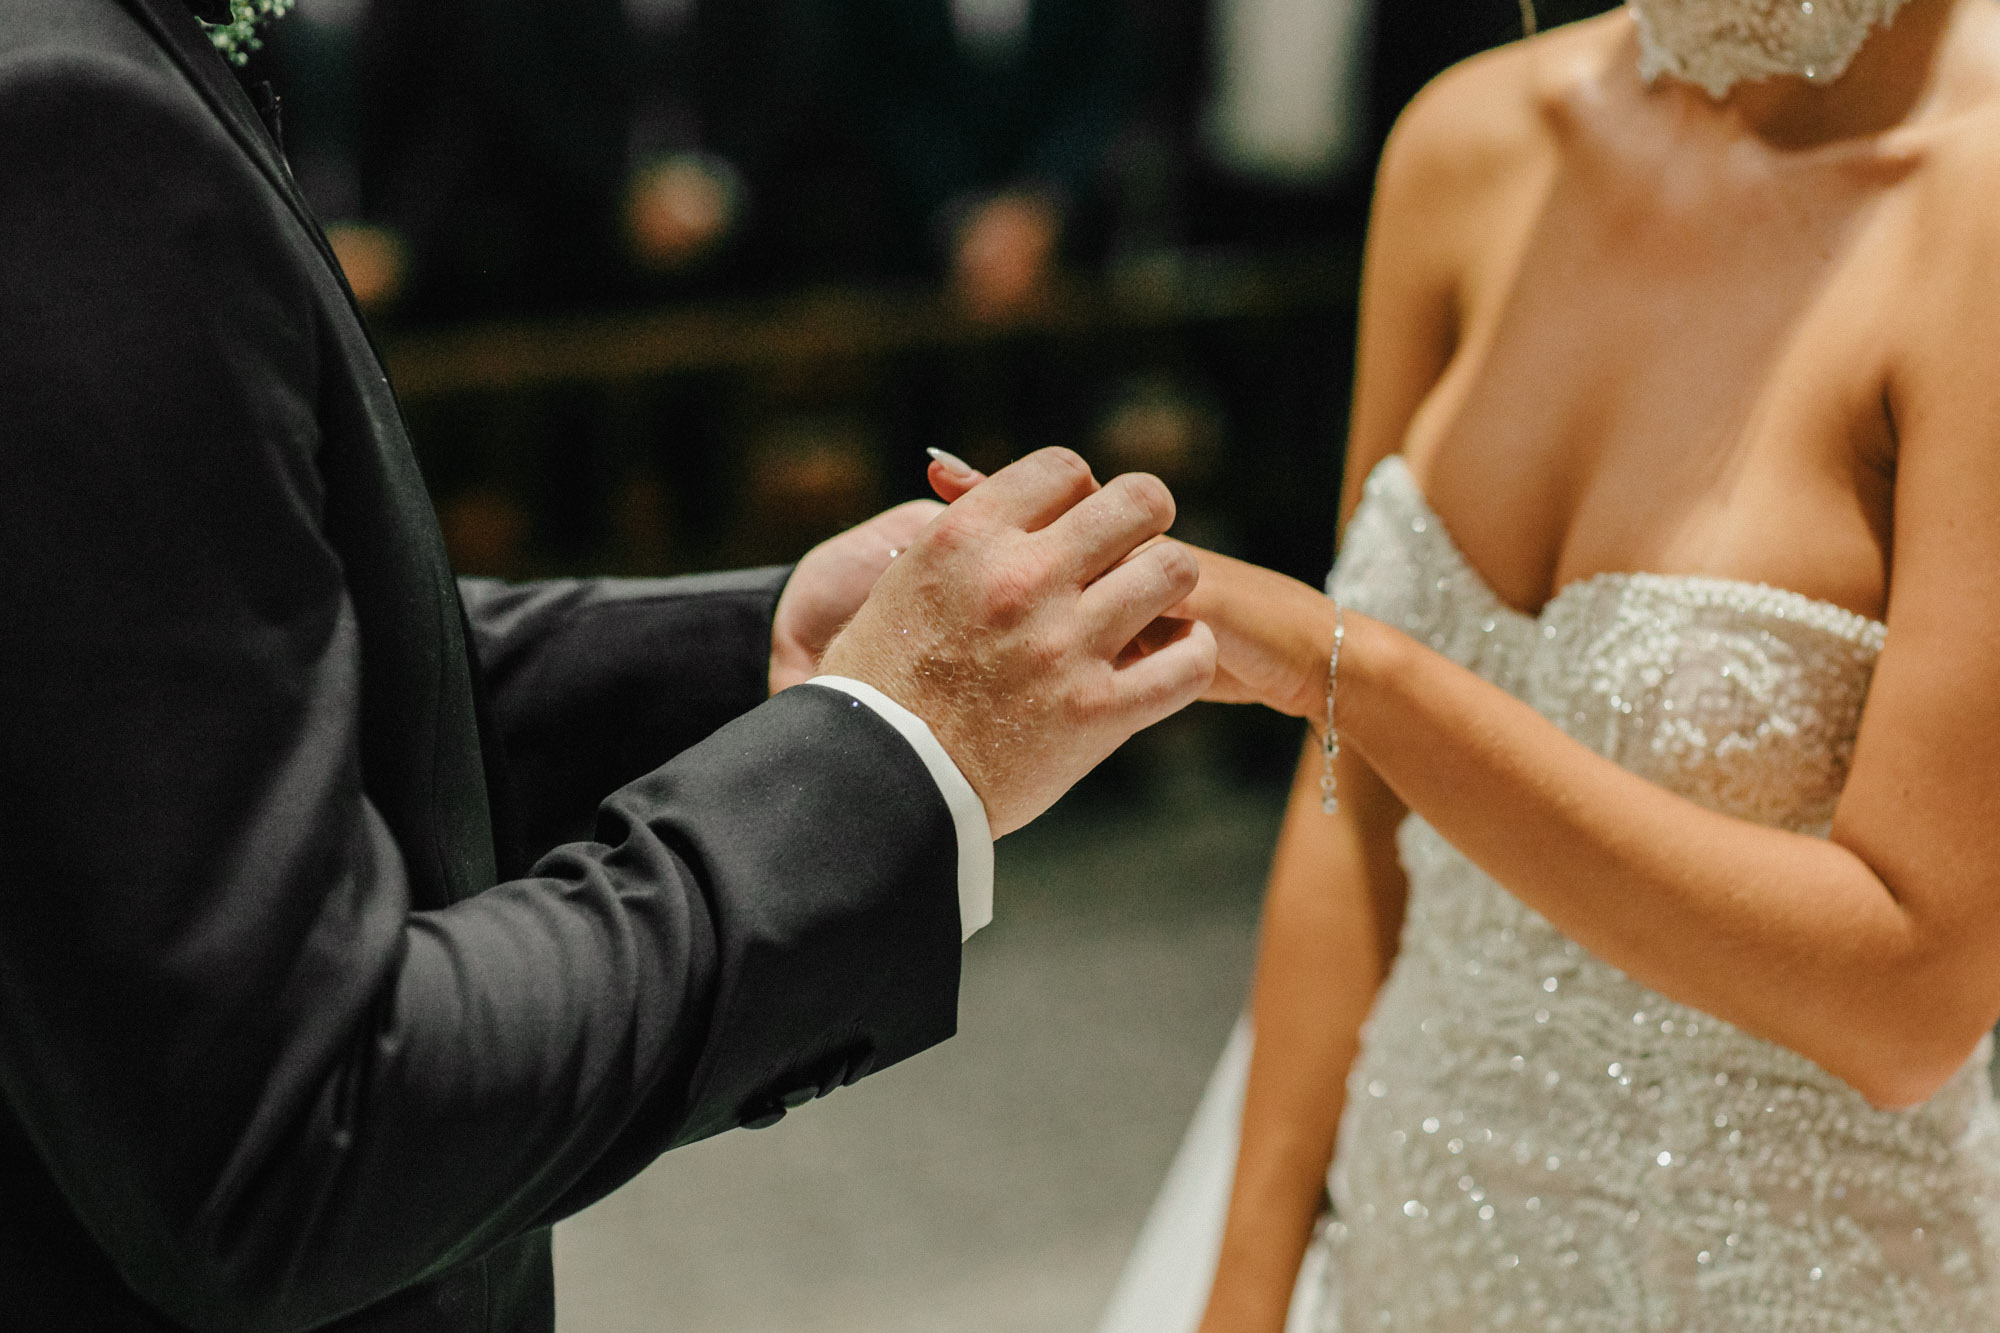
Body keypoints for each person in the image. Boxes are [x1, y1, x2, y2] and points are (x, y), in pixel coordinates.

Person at [0, 2, 1218, 1330]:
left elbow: (219, 683)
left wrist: (755, 648)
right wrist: (875, 757)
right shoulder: (61, 116)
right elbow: (296, 1123)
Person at [1100, 0, 2000, 1327]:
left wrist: (1364, 678)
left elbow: (1909, 1004)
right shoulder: (1471, 144)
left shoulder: (1976, 199)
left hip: (1779, 1277)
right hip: (1413, 1248)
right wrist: (1247, 1288)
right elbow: (1349, 803)